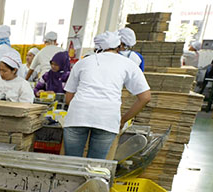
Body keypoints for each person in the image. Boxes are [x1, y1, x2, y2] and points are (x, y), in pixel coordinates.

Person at [63, 31, 150, 160]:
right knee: (95, 167)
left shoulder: (83, 62)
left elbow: (69, 97)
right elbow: (145, 97)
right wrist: (123, 119)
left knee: (71, 162)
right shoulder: (128, 64)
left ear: (97, 48)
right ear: (119, 46)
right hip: (107, 118)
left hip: (78, 115)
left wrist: (81, 110)